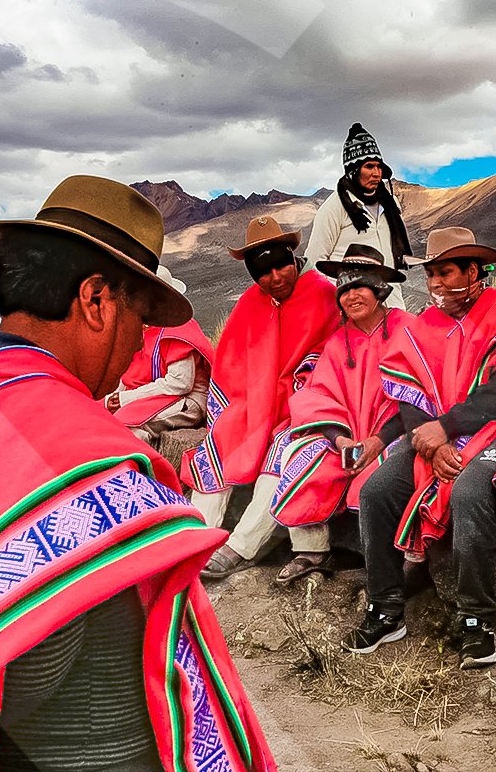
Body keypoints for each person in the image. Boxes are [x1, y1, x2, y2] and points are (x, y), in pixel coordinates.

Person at [0, 176, 274, 772]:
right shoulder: (71, 451)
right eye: (140, 320)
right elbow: (28, 660)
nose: (138, 345)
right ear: (96, 300)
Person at [344, 227, 496, 670]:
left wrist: (447, 428)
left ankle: (476, 618)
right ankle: (385, 609)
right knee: (376, 491)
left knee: (469, 491)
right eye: (430, 274)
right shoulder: (423, 326)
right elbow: (406, 392)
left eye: (445, 272)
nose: (435, 284)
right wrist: (432, 442)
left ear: (474, 271)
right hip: (434, 437)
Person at [201, 244, 415, 584]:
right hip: (348, 436)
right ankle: (313, 551)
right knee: (297, 453)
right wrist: (340, 439)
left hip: (395, 433)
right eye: (345, 288)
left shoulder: (409, 329)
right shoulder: (338, 342)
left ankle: (399, 560)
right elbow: (316, 396)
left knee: (386, 473)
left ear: (380, 289)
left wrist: (377, 440)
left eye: (361, 286)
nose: (351, 295)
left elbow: (421, 399)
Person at [183, 216, 341, 542]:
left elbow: (332, 355)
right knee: (219, 444)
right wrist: (242, 404)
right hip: (254, 404)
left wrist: (296, 390)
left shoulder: (323, 294)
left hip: (301, 403)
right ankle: (197, 540)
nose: (275, 277)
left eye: (281, 266)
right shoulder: (249, 302)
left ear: (293, 258)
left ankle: (241, 546)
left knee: (282, 451)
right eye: (263, 273)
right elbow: (230, 363)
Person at [303, 123, 412, 309]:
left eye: (379, 166)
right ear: (353, 169)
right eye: (369, 166)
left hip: (392, 304)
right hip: (351, 308)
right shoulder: (333, 207)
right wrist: (340, 300)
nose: (377, 174)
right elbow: (314, 262)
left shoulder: (390, 204)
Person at [106, 265, 214, 445]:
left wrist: (126, 398)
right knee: (104, 419)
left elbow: (180, 383)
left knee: (129, 427)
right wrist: (114, 398)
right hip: (154, 397)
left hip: (188, 400)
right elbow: (130, 376)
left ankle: (135, 456)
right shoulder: (145, 330)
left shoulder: (178, 328)